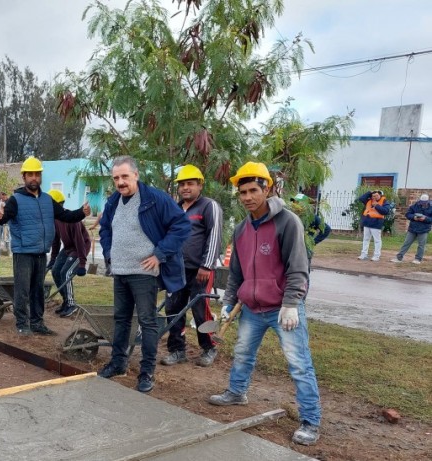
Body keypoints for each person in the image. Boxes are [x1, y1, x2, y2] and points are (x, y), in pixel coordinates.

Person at [207, 161, 321, 447]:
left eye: (253, 190)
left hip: (284, 309)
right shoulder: (242, 229)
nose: (247, 197)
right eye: (242, 192)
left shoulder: (288, 222)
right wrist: (229, 300)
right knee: (243, 353)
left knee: (298, 364)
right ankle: (236, 393)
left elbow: (298, 267)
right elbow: (237, 272)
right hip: (251, 310)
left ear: (267, 188)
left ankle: (310, 420)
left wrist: (292, 303)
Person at [95, 156, 190, 394]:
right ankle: (118, 363)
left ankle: (147, 372)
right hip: (120, 271)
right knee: (121, 319)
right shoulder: (113, 201)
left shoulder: (154, 199)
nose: (120, 182)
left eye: (125, 176)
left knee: (147, 322)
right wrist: (108, 253)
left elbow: (181, 225)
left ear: (136, 175)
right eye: (116, 178)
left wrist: (159, 254)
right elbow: (105, 228)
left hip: (144, 273)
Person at [0, 156, 90, 336]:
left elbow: (66, 215)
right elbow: (3, 218)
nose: (34, 178)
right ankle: (22, 324)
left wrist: (82, 213)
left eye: (37, 174)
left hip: (40, 252)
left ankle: (37, 323)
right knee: (22, 290)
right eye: (30, 174)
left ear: (40, 177)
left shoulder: (47, 200)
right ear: (24, 177)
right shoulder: (15, 200)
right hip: (23, 253)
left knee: (38, 290)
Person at [160, 164, 223, 368]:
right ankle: (177, 350)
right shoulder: (176, 209)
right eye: (182, 184)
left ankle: (209, 347)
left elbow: (214, 235)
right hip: (176, 270)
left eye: (190, 184)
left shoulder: (208, 206)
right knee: (173, 309)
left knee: (199, 309)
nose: (185, 188)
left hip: (200, 271)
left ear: (200, 185)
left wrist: (206, 265)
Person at [47, 189, 90, 318]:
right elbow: (56, 242)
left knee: (66, 272)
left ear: (58, 205)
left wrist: (82, 264)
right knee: (55, 271)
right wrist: (53, 259)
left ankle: (71, 304)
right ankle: (66, 300)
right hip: (68, 248)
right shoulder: (55, 220)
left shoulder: (72, 219)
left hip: (79, 248)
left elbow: (80, 242)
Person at [289, 193, 331, 263]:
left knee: (303, 270)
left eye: (297, 202)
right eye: (294, 202)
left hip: (305, 249)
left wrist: (312, 242)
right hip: (292, 249)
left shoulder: (312, 218)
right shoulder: (291, 216)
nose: (294, 204)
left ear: (305, 205)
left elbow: (327, 229)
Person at [392, 193, 432, 264]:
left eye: (424, 203)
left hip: (424, 229)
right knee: (406, 243)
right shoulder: (414, 206)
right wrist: (414, 217)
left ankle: (418, 259)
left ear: (428, 201)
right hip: (413, 228)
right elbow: (408, 214)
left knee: (421, 245)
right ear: (420, 200)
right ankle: (399, 257)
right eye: (421, 202)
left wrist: (425, 219)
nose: (423, 204)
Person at [357, 189, 392, 262]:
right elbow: (361, 198)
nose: (374, 197)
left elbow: (385, 211)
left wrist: (376, 205)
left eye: (376, 195)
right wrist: (369, 192)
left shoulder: (384, 202)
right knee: (366, 239)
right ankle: (364, 254)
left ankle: (376, 256)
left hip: (376, 223)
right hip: (367, 222)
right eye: (373, 196)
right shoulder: (369, 201)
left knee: (377, 240)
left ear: (380, 195)